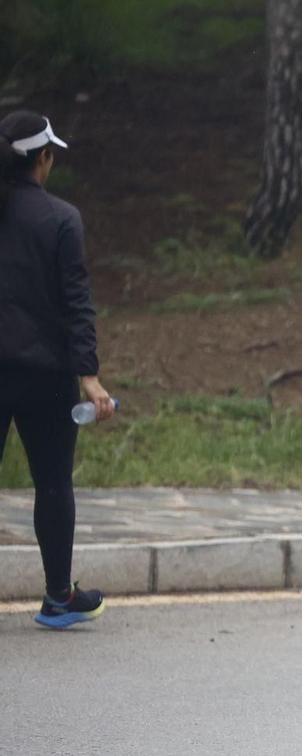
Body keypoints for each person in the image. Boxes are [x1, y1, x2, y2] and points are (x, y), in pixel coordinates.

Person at [0, 110, 115, 629]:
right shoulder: (61, 218)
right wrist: (88, 375)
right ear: (42, 159)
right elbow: (76, 302)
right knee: (52, 484)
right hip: (46, 376)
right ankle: (57, 598)